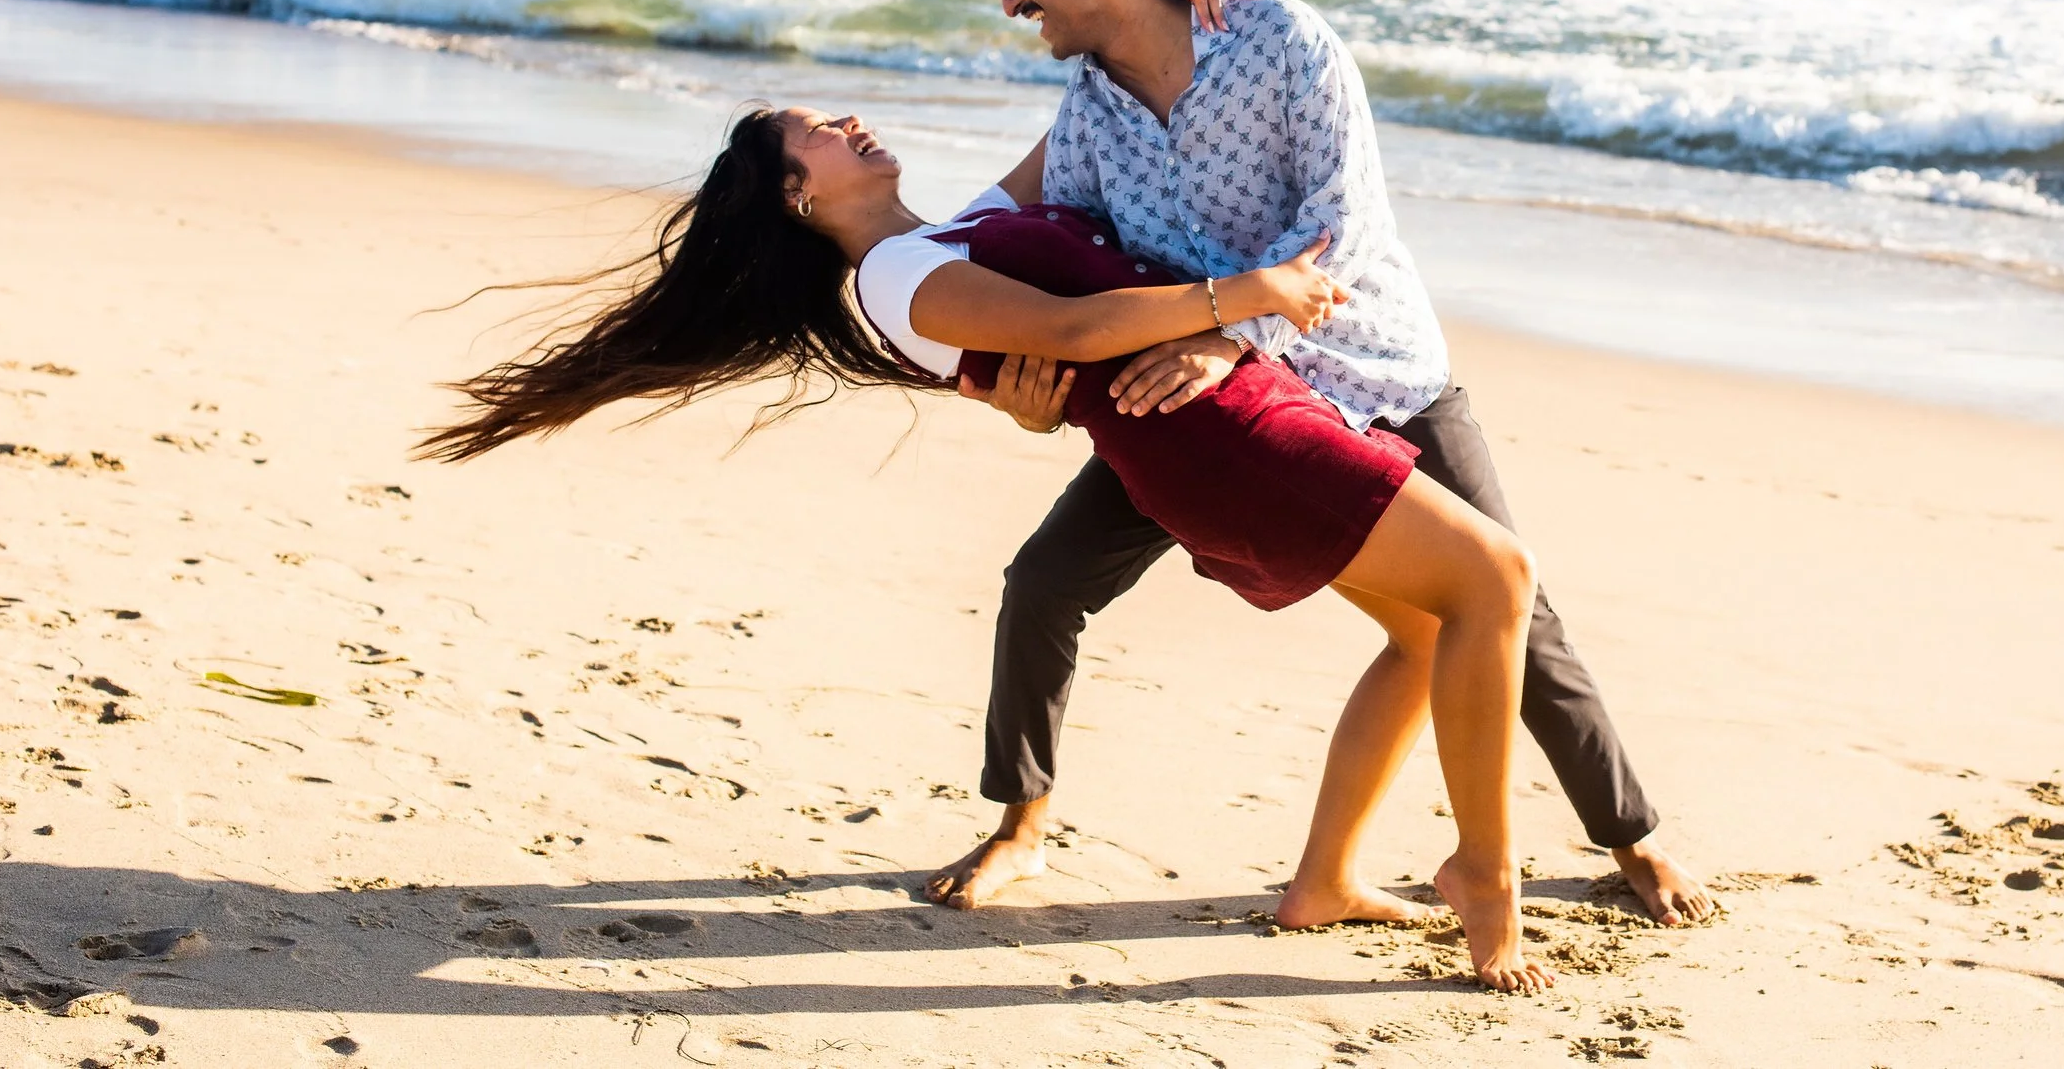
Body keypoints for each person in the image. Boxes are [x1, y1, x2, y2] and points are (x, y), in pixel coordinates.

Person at [419, 105, 1554, 993]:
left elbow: (1073, 123)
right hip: (1219, 440)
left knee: (1424, 633)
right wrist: (1247, 294)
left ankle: (1323, 882)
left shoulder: (939, 236)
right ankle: (1484, 882)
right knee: (1494, 579)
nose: (848, 123)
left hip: (1226, 408)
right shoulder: (898, 279)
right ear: (798, 194)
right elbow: (1069, 334)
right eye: (817, 132)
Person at [928, 0, 1715, 928]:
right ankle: (1021, 825)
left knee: (1510, 606)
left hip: (1374, 371)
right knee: (1044, 585)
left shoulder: (1281, 41)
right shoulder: (1088, 115)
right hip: (1208, 410)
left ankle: (1631, 840)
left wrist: (1227, 331)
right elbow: (1069, 252)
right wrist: (1031, 388)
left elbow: (1339, 227)